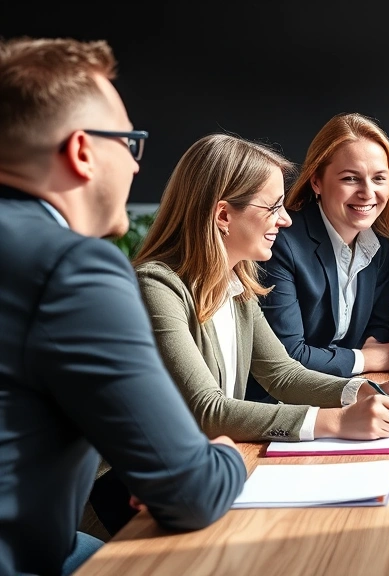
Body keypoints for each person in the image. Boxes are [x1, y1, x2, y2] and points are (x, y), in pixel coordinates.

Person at [0, 37, 246, 576]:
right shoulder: (72, 268)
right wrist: (224, 453)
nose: (137, 168)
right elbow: (193, 491)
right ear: (82, 151)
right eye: (129, 144)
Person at [133, 133, 389, 443]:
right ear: (223, 215)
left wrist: (371, 391)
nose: (285, 220)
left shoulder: (237, 284)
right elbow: (207, 411)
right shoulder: (158, 287)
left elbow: (284, 374)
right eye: (273, 207)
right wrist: (336, 421)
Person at [260, 113, 389, 380]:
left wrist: (368, 355)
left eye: (379, 178)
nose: (368, 193)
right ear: (316, 181)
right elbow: (289, 356)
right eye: (351, 178)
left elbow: (378, 328)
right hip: (283, 403)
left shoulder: (380, 243)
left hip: (343, 390)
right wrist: (365, 359)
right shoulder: (282, 243)